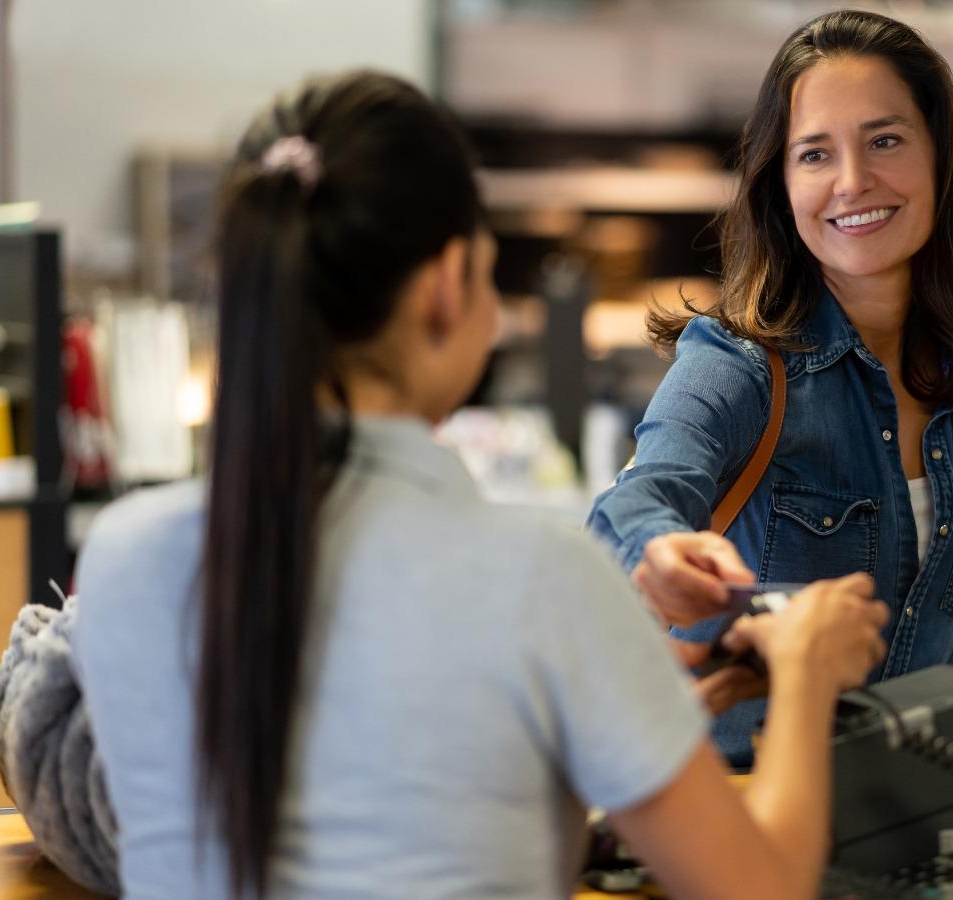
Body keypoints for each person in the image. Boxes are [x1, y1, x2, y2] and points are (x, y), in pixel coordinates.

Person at [68, 70, 889, 899]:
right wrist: (810, 675)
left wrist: (638, 708)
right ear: (446, 284)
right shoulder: (545, 576)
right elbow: (766, 890)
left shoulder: (122, 556)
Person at [587, 9, 953, 767]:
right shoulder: (740, 365)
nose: (852, 182)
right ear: (781, 183)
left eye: (884, 140)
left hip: (924, 820)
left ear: (940, 155)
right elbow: (636, 504)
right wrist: (660, 555)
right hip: (745, 814)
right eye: (814, 154)